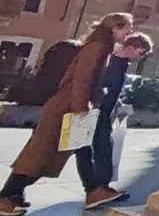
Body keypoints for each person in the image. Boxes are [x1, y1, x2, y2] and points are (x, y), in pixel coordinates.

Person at [0, 13, 134, 215]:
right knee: (40, 155)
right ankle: (6, 196)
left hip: (70, 107)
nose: (129, 32)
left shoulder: (101, 47)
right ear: (115, 28)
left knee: (77, 149)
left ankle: (93, 191)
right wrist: (81, 107)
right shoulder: (97, 47)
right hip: (66, 108)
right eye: (127, 27)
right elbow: (83, 78)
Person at [74, 33, 151, 204]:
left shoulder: (121, 62)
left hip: (104, 112)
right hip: (94, 110)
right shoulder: (108, 59)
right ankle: (96, 188)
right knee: (87, 148)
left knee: (100, 147)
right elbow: (97, 83)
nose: (141, 57)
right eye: (141, 53)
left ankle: (99, 187)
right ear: (131, 47)